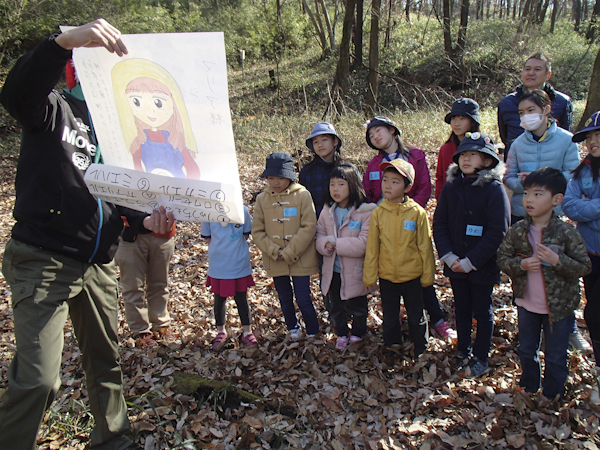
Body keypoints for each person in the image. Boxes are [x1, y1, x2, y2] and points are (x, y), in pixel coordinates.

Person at [0, 19, 174, 450]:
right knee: (40, 378)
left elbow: (119, 195)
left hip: (97, 263)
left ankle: (113, 439)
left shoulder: (120, 131)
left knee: (105, 362)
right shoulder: (54, 108)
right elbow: (17, 94)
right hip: (43, 258)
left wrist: (144, 221)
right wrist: (61, 42)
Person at [503, 89, 589, 352]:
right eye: (521, 113)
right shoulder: (518, 144)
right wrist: (526, 183)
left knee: (556, 273)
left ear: (546, 110)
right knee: (528, 271)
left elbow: (572, 175)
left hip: (555, 215)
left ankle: (568, 328)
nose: (525, 117)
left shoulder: (566, 141)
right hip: (524, 214)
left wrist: (545, 180)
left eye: (530, 111)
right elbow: (509, 177)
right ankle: (529, 329)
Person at [498, 168, 591, 400]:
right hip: (527, 304)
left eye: (538, 194)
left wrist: (557, 261)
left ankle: (553, 393)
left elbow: (584, 266)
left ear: (556, 200)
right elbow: (502, 258)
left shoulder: (566, 233)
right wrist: (521, 266)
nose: (529, 199)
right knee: (527, 350)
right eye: (527, 193)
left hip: (558, 309)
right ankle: (529, 386)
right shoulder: (518, 230)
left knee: (556, 354)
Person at [363, 116, 455, 341]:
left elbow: (424, 187)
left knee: (418, 272)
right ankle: (395, 331)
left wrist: (412, 213)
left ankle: (437, 319)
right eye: (371, 135)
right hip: (384, 224)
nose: (375, 136)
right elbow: (369, 193)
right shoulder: (375, 165)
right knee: (393, 278)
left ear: (393, 130)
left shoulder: (416, 156)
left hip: (411, 222)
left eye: (379, 131)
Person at [433, 133, 510, 378]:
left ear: (487, 161)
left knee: (482, 311)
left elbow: (498, 230)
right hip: (454, 261)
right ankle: (463, 348)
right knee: (462, 308)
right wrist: (448, 256)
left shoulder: (495, 189)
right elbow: (440, 223)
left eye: (473, 154)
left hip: (482, 265)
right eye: (463, 155)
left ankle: (480, 356)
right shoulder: (451, 187)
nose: (466, 159)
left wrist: (471, 261)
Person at [363, 158, 435, 357]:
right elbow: (372, 247)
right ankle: (392, 345)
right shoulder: (378, 213)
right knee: (390, 315)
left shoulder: (417, 214)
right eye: (385, 180)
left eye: (395, 181)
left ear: (407, 187)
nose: (388, 185)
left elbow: (425, 246)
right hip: (387, 276)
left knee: (416, 314)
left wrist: (428, 276)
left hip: (412, 275)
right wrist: (370, 277)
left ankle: (421, 346)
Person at [252, 152, 320, 339]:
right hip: (275, 258)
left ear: (289, 176)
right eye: (271, 178)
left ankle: (313, 330)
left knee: (304, 297)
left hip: (301, 256)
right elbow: (257, 231)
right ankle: (293, 328)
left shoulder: (302, 195)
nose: (276, 182)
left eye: (280, 177)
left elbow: (309, 226)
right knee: (284, 296)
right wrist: (274, 250)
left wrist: (290, 251)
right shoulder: (262, 199)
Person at [316, 164, 376, 350]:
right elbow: (319, 234)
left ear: (352, 185)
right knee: (336, 306)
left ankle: (358, 333)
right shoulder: (327, 211)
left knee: (358, 305)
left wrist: (337, 244)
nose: (335, 189)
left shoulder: (365, 212)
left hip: (355, 270)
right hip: (332, 269)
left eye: (341, 184)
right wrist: (324, 244)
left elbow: (364, 243)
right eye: (332, 184)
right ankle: (341, 332)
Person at [562, 111, 600, 404]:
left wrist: (590, 208)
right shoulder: (582, 171)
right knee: (594, 311)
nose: (593, 141)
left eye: (599, 135)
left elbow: (582, 210)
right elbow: (571, 207)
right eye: (589, 136)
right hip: (590, 253)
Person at [112, 60, 200, 179]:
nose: (149, 111)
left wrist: (187, 190)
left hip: (178, 191)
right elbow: (137, 167)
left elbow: (193, 170)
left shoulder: (175, 140)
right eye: (136, 102)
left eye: (158, 102)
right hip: (151, 191)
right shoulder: (139, 142)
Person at [201, 205, 257, 350]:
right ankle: (220, 331)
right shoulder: (208, 212)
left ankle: (247, 331)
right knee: (219, 299)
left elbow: (245, 234)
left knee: (241, 298)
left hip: (238, 263)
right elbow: (208, 238)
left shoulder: (242, 210)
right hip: (219, 265)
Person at [498, 52, 573, 160]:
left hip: (550, 166)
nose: (531, 73)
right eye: (527, 69)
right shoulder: (506, 103)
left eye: (537, 69)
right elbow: (505, 137)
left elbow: (565, 138)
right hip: (516, 166)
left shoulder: (562, 102)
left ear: (548, 74)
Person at [115, 222, 177, 349]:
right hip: (129, 233)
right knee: (133, 286)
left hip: (163, 231)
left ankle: (161, 324)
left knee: (160, 283)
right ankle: (140, 331)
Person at [435, 98, 481, 200]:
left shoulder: (482, 147)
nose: (456, 123)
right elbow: (440, 178)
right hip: (451, 201)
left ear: (472, 122)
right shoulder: (446, 148)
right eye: (454, 118)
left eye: (462, 118)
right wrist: (441, 200)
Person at [300, 122, 343, 219]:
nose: (320, 145)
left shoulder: (346, 169)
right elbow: (301, 201)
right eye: (316, 142)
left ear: (335, 141)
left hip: (342, 223)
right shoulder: (307, 171)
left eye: (324, 140)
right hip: (314, 223)